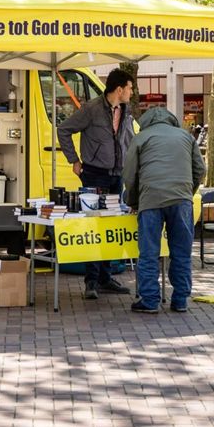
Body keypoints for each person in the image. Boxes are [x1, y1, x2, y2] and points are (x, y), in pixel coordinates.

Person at [57, 68, 135, 300]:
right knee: (93, 227)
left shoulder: (126, 111)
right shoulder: (91, 109)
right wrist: (74, 161)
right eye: (130, 88)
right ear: (119, 89)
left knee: (110, 227)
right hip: (94, 174)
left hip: (116, 176)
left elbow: (128, 141)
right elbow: (64, 130)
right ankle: (91, 281)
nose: (132, 92)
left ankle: (105, 277)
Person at [122, 107, 205, 314]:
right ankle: (180, 299)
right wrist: (188, 190)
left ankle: (149, 300)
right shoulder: (186, 137)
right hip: (182, 201)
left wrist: (134, 201)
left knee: (149, 252)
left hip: (151, 200)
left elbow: (130, 175)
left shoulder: (141, 138)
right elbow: (200, 170)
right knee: (182, 252)